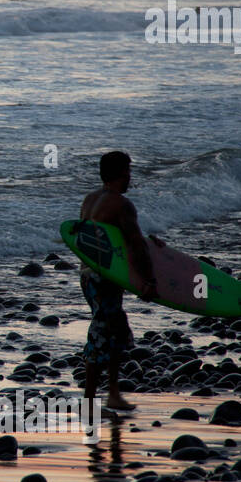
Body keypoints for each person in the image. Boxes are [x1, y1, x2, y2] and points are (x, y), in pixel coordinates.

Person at [78, 151, 163, 412]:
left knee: (115, 330)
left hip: (88, 274)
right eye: (128, 171)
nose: (130, 176)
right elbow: (134, 245)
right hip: (105, 278)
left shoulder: (90, 199)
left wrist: (155, 249)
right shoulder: (122, 205)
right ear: (119, 173)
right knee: (101, 335)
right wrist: (148, 280)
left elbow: (100, 241)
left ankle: (113, 393)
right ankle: (89, 400)